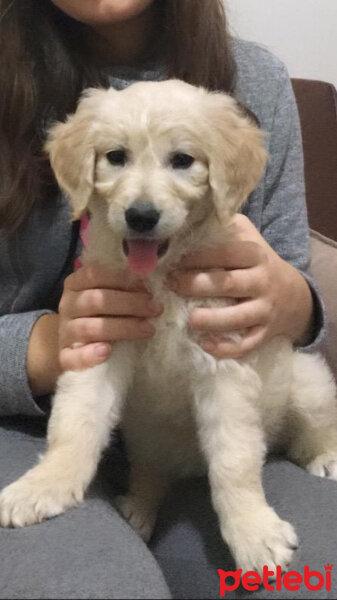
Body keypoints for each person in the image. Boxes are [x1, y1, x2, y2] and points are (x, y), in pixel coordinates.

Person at [0, 1, 335, 598]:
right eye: (115, 159)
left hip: (233, 437)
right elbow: (100, 364)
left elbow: (264, 340)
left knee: (307, 585)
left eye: (182, 161)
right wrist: (48, 343)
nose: (142, 202)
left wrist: (289, 297)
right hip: (24, 421)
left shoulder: (252, 81)